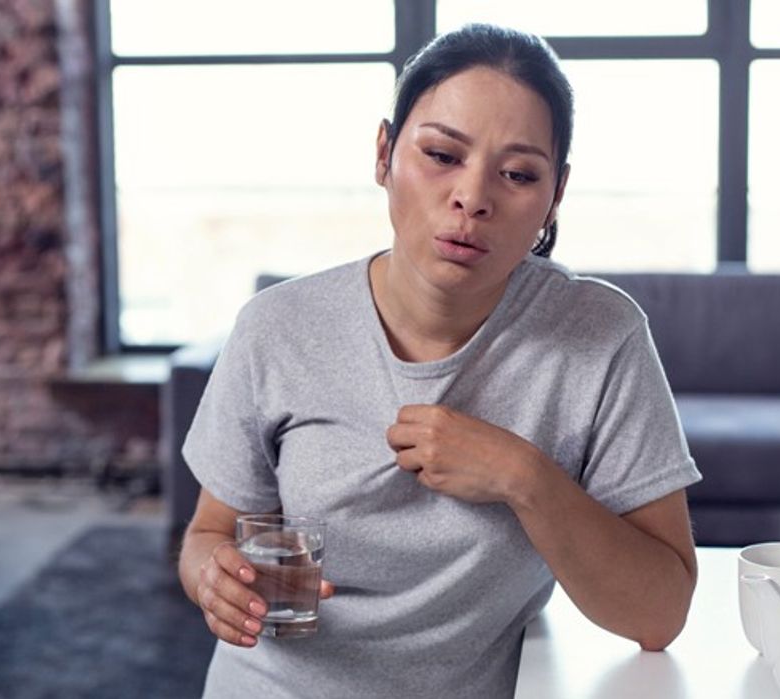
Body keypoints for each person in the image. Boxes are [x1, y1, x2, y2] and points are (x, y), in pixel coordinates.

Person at [176, 23, 702, 698]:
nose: (472, 197)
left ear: (555, 196)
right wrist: (212, 579)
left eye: (517, 174)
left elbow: (658, 614)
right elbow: (209, 533)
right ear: (383, 153)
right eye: (441, 154)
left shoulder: (599, 335)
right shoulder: (276, 327)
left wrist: (524, 476)